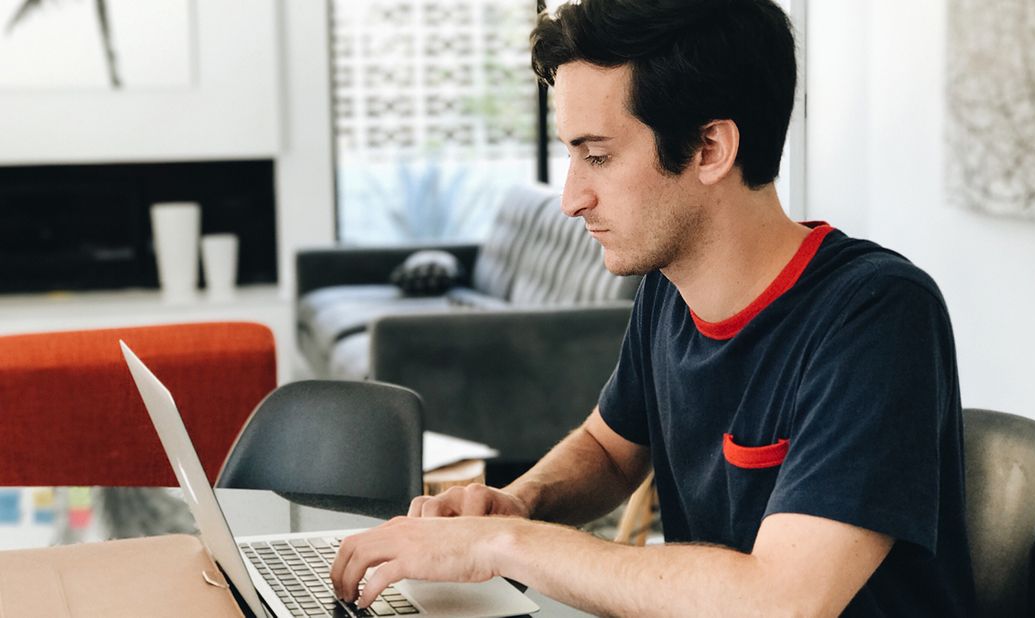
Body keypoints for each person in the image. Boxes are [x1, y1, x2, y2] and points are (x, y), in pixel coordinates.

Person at [331, 0, 977, 615]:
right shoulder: (669, 290)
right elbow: (608, 450)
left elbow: (783, 601)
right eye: (571, 155)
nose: (571, 198)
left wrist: (501, 547)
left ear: (710, 149)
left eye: (598, 156)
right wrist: (517, 504)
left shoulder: (876, 314)